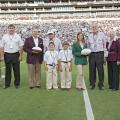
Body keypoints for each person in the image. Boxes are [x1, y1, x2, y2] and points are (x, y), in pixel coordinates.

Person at [0, 24, 23, 89]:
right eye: (10, 28)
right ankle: (7, 84)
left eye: (12, 28)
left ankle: (17, 84)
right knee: (8, 70)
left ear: (14, 29)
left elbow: (21, 46)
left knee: (16, 70)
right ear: (8, 29)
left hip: (15, 54)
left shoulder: (18, 36)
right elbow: (1, 47)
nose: (11, 29)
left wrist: (20, 56)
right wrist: (2, 56)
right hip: (7, 55)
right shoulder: (4, 36)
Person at [87, 24, 107, 90]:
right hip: (92, 54)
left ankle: (101, 84)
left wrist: (104, 55)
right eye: (93, 27)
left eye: (95, 27)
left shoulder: (102, 34)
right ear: (92, 28)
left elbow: (104, 46)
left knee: (100, 69)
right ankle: (92, 84)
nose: (94, 28)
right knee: (92, 69)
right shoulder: (89, 35)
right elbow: (88, 45)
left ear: (98, 28)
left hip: (100, 53)